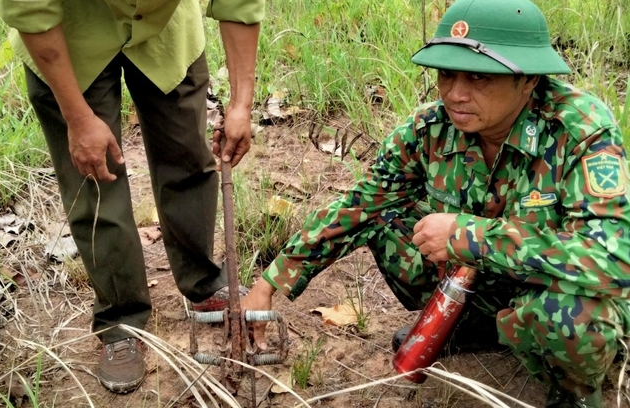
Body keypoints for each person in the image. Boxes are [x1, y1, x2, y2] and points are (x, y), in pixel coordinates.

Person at [241, 0, 630, 406]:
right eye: (446, 73)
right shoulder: (431, 128)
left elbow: (613, 259)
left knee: (573, 315)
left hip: (544, 289)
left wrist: (468, 236)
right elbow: (363, 204)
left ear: (528, 79)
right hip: (476, 285)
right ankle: (476, 328)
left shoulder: (579, 131)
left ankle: (574, 395)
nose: (455, 94)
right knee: (386, 217)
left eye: (480, 77)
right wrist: (269, 284)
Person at [0, 0, 264, 394]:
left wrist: (241, 104)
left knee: (188, 155)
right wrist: (77, 117)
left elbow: (239, 3)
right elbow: (30, 9)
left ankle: (203, 281)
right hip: (69, 38)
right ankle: (120, 318)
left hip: (166, 32)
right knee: (94, 181)